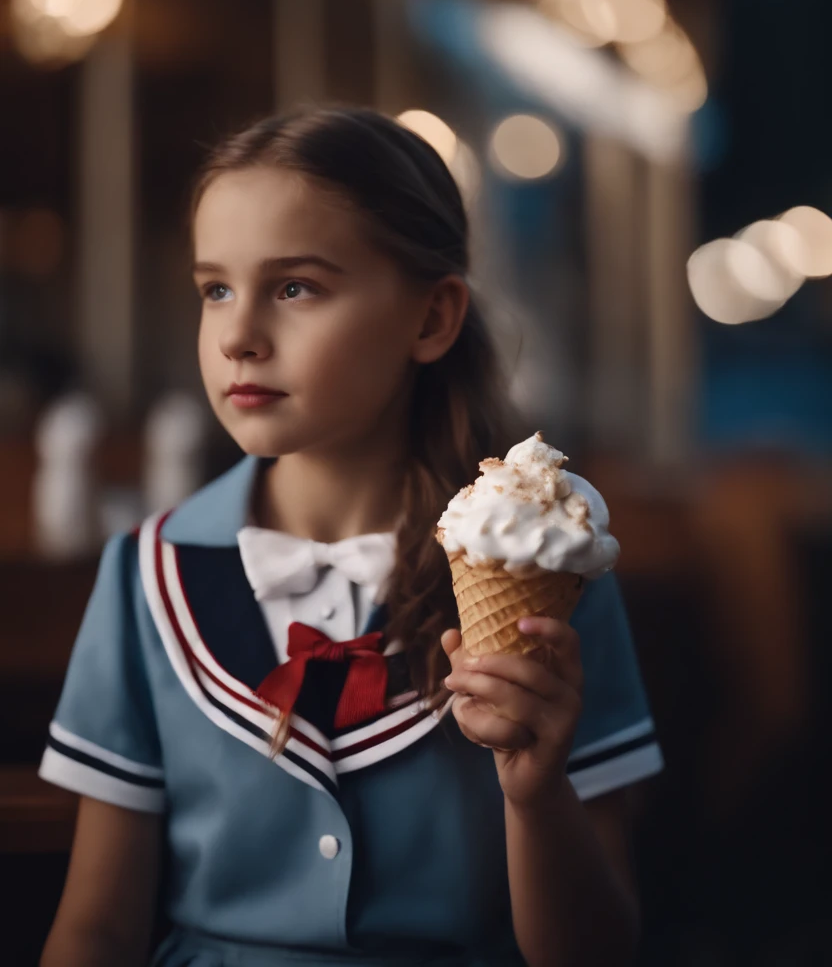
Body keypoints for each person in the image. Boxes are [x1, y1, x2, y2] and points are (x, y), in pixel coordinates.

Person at [38, 107, 663, 967]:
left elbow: (599, 949)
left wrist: (534, 793)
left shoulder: (554, 566)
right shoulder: (146, 574)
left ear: (432, 320)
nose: (237, 336)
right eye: (215, 288)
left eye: (295, 288)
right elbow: (97, 930)